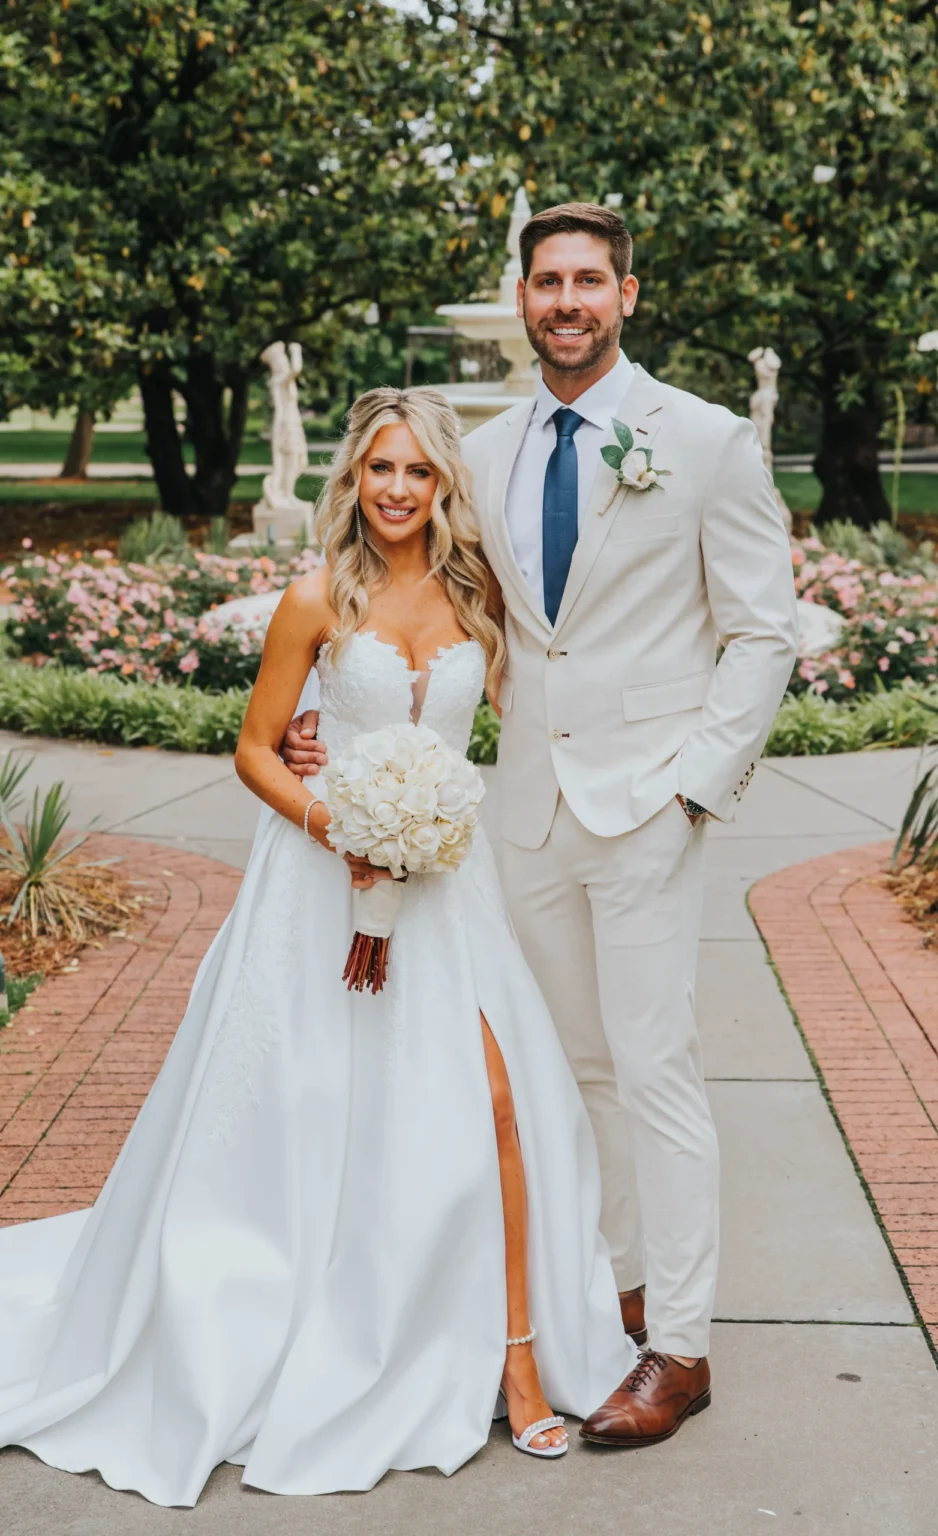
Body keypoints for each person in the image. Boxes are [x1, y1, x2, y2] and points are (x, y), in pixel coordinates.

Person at [0, 387, 633, 1506]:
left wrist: (424, 827)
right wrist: (336, 825)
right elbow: (255, 750)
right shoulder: (314, 597)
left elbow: (538, 713)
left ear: (445, 487)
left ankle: (518, 1355)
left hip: (447, 887)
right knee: (318, 1104)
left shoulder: (479, 597)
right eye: (380, 469)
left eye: (418, 474)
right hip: (315, 881)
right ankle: (323, 1310)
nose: (397, 490)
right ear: (356, 478)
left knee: (495, 1101)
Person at [284, 203, 799, 1447]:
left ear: (628, 292)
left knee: (655, 1068)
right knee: (572, 1073)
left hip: (646, 811)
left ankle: (679, 1347)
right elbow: (440, 604)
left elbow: (762, 630)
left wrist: (692, 790)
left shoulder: (707, 441)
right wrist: (323, 722)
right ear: (520, 300)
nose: (564, 301)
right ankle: (615, 1290)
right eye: (545, 282)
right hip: (517, 813)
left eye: (587, 281)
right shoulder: (489, 444)